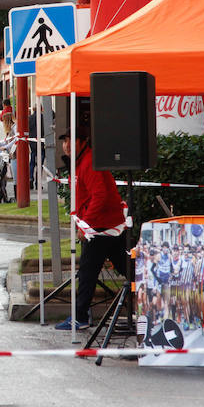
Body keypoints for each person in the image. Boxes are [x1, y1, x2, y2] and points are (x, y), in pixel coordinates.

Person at [55, 126, 128, 330]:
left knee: (87, 273)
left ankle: (80, 317)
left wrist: (86, 225)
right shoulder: (82, 161)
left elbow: (100, 195)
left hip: (101, 227)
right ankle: (148, 300)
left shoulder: (89, 162)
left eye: (71, 140)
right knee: (127, 267)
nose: (66, 145)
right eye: (64, 140)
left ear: (82, 141)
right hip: (107, 225)